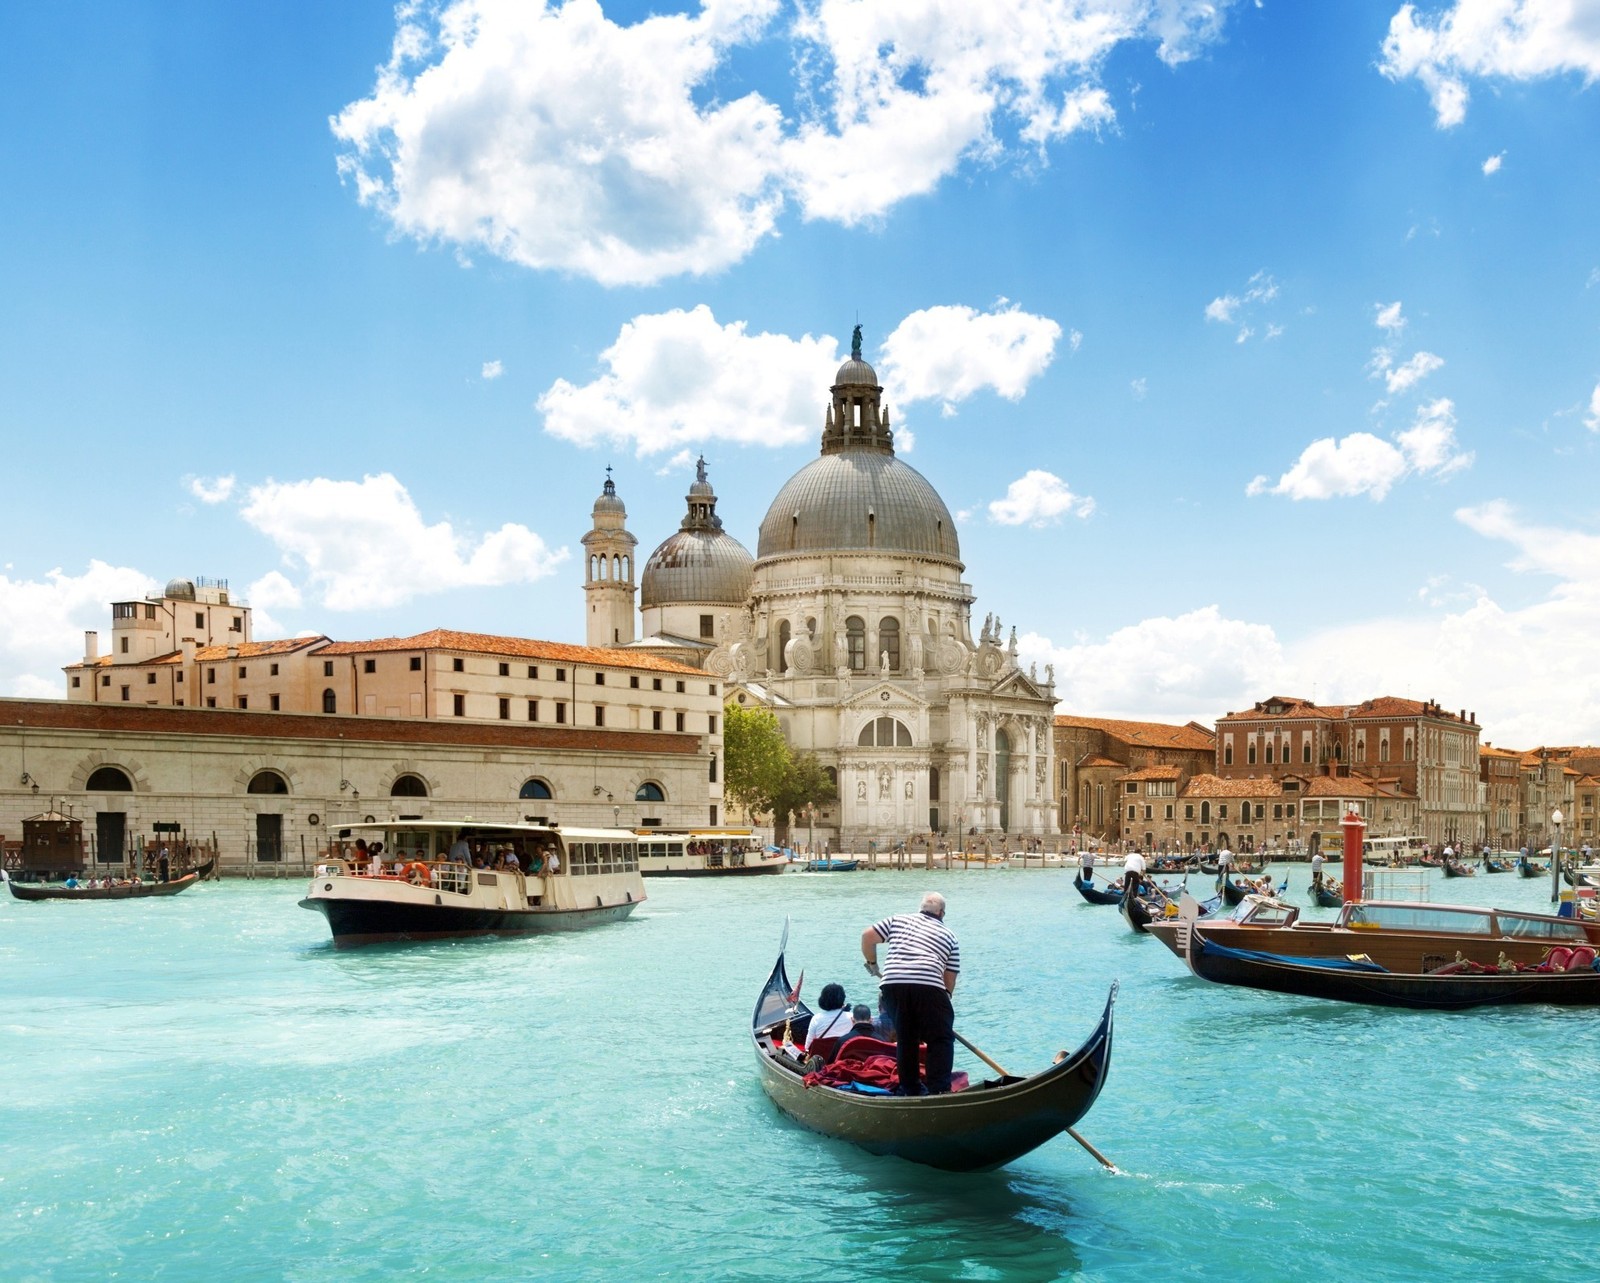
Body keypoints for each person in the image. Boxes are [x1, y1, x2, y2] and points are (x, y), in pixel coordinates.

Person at [861, 892, 960, 1095]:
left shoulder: (897, 920)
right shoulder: (949, 936)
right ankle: (939, 1090)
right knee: (940, 1038)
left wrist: (872, 964)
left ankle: (911, 1089)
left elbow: (867, 936)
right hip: (929, 985)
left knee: (907, 1039)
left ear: (920, 909)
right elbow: (949, 976)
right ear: (941, 913)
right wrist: (945, 999)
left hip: (892, 984)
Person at [805, 983, 853, 1050]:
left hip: (821, 1059)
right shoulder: (852, 1017)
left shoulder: (817, 1019)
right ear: (843, 999)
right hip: (843, 1058)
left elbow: (808, 1047)